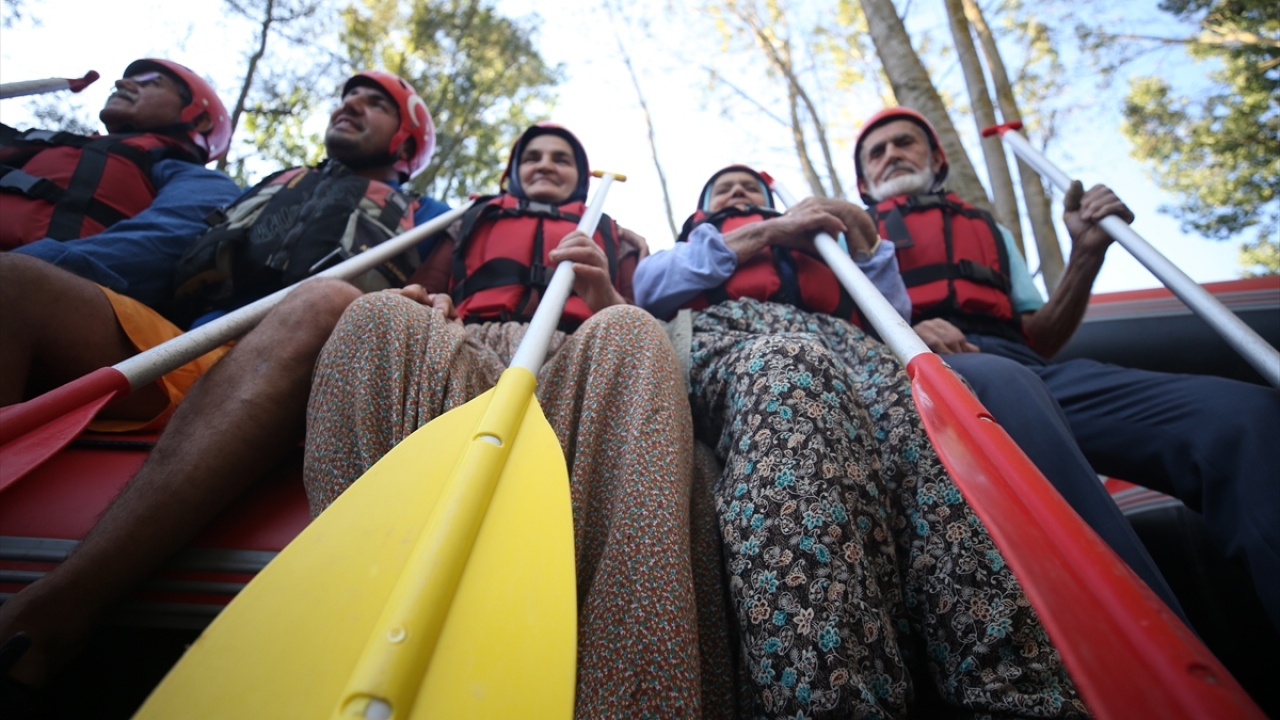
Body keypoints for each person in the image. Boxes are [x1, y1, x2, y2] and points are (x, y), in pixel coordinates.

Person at [0, 70, 450, 689]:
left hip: (307, 358)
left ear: (405, 140)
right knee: (13, 284)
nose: (351, 105)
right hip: (186, 344)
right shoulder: (266, 186)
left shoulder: (433, 218)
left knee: (322, 300)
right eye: (349, 96)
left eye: (376, 104)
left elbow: (448, 300)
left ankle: (45, 624)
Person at [632, 166, 1087, 718]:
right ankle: (831, 698)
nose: (738, 192)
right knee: (791, 373)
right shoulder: (694, 246)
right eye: (723, 188)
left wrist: (866, 242)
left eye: (750, 186)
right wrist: (773, 231)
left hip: (848, 341)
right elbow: (649, 289)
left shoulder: (828, 244)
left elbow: (889, 312)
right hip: (736, 332)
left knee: (921, 416)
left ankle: (1014, 690)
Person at [302, 124, 709, 718]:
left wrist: (604, 293)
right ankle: (353, 625)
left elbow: (646, 318)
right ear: (513, 173)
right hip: (469, 347)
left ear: (580, 178)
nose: (546, 164)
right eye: (533, 156)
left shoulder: (617, 238)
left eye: (561, 159)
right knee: (376, 314)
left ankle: (622, 692)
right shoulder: (469, 221)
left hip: (582, 361)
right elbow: (428, 288)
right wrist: (427, 301)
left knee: (636, 330)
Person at [853, 106, 1280, 629]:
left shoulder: (988, 232)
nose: (892, 154)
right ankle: (1149, 641)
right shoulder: (848, 241)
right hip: (924, 375)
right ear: (863, 181)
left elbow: (1044, 335)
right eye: (877, 151)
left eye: (905, 142)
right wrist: (901, 332)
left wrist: (1086, 254)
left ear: (936, 159)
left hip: (1029, 366)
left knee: (1243, 417)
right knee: (1012, 397)